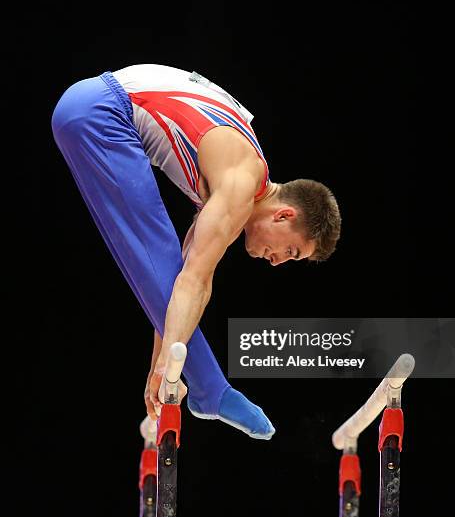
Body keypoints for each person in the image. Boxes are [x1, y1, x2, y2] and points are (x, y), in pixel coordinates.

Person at [51, 64, 341, 440]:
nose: (278, 261)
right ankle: (211, 390)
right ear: (286, 214)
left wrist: (164, 364)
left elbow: (172, 285)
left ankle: (207, 388)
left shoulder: (233, 184)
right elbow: (193, 282)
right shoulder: (239, 185)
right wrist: (167, 372)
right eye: (291, 250)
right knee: (161, 252)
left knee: (164, 263)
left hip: (89, 107)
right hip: (102, 110)